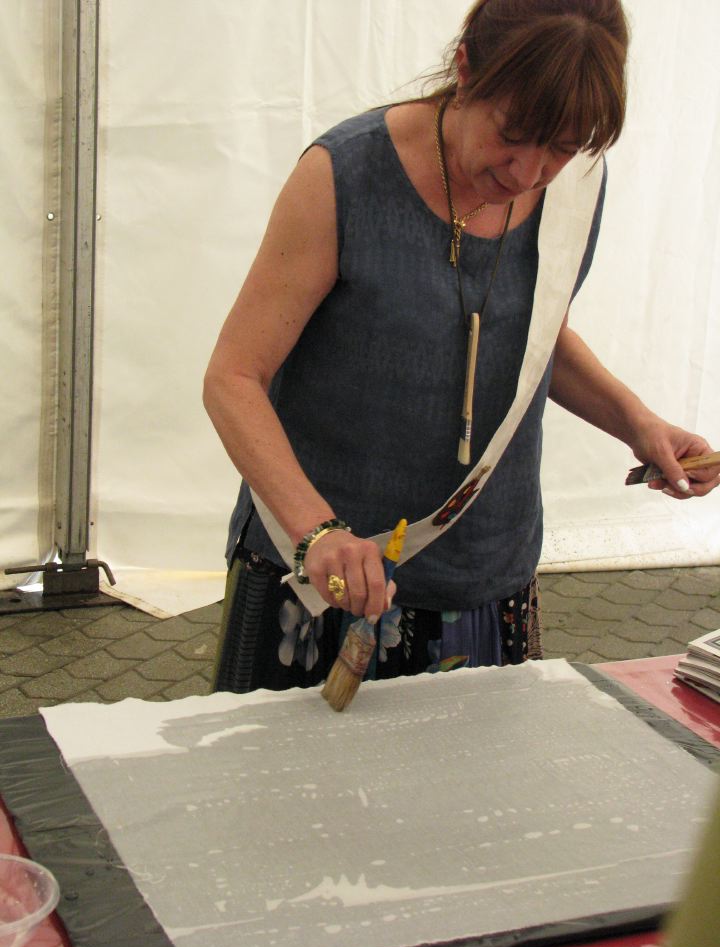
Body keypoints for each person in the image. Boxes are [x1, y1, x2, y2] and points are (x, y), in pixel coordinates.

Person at [204, 0, 719, 694]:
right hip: (321, 579)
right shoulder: (345, 176)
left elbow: (533, 336)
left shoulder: (573, 191)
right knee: (286, 768)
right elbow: (234, 377)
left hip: (484, 576)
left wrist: (639, 424)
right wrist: (316, 532)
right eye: (514, 134)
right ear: (466, 68)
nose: (528, 172)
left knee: (480, 770)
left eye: (563, 147)